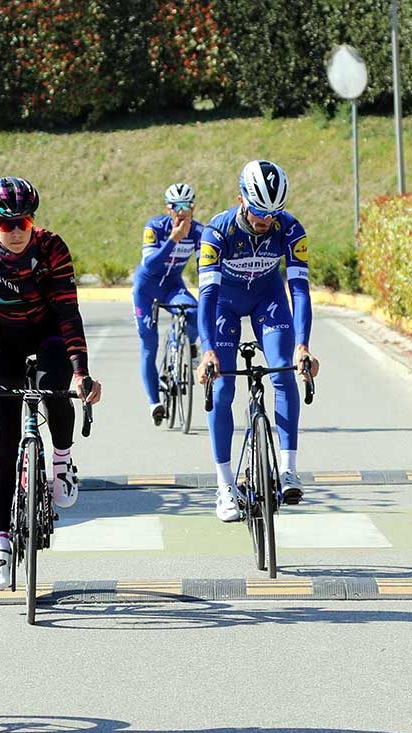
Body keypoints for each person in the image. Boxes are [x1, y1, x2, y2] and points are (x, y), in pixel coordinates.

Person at [0, 176, 102, 592]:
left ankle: (61, 460)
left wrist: (81, 371)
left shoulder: (51, 248)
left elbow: (69, 313)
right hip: (2, 341)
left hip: (48, 333)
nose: (17, 231)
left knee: (56, 391)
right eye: (8, 224)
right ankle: (1, 547)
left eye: (24, 222)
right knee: (2, 441)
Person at [194, 159, 321, 523]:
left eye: (273, 213)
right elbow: (207, 297)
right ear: (241, 199)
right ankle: (224, 485)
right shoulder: (216, 233)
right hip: (224, 306)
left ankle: (288, 469)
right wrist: (207, 351)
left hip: (269, 300)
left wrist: (303, 346)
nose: (267, 220)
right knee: (222, 388)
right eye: (259, 211)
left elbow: (300, 290)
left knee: (283, 372)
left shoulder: (290, 228)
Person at [133, 182, 203, 425]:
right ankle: (155, 403)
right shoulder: (155, 227)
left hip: (173, 286)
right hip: (146, 289)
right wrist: (173, 239)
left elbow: (204, 268)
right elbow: (150, 265)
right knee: (149, 345)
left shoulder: (198, 232)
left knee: (194, 311)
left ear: (193, 208)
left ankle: (183, 343)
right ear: (168, 208)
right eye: (176, 206)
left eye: (186, 206)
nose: (181, 212)